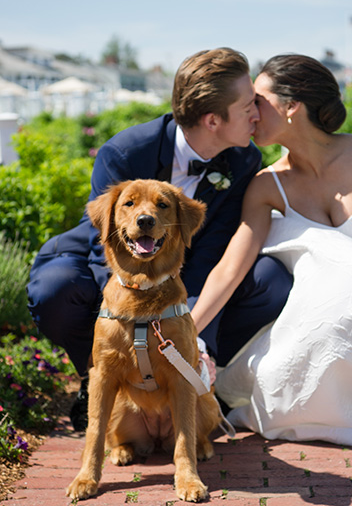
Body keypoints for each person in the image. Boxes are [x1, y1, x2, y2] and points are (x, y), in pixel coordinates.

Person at [27, 48, 292, 429]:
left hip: (180, 271)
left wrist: (192, 341)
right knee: (54, 289)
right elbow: (106, 250)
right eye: (249, 104)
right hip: (106, 262)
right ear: (213, 119)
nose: (257, 112)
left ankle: (190, 376)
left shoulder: (243, 160)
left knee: (271, 282)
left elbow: (210, 253)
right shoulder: (125, 152)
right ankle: (100, 378)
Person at [190, 54, 352, 447]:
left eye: (258, 101)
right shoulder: (267, 186)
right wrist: (185, 329)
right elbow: (232, 266)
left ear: (291, 106)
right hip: (319, 328)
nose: (250, 112)